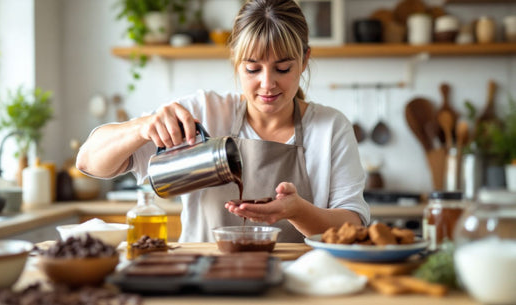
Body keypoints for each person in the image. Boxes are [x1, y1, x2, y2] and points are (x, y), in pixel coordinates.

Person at [76, 0, 369, 243]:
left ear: (305, 60)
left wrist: (296, 211)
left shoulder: (331, 128)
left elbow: (354, 227)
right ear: (235, 61)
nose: (267, 84)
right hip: (203, 281)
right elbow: (88, 162)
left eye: (282, 68)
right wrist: (142, 127)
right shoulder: (203, 113)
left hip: (298, 284)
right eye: (253, 68)